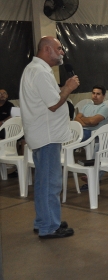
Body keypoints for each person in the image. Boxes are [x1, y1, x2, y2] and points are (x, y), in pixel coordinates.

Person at [19, 36, 79, 238]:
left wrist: (64, 90)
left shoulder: (37, 70)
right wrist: (68, 89)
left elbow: (50, 102)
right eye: (59, 48)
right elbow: (54, 104)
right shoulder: (39, 72)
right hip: (46, 137)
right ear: (46, 49)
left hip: (45, 135)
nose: (62, 52)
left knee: (45, 181)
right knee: (50, 183)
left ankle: (44, 219)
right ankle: (48, 227)